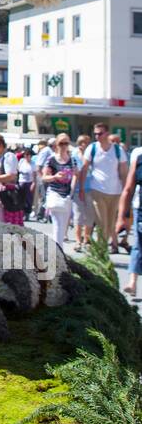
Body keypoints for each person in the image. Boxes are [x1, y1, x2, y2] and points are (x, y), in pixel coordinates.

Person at [79, 121, 128, 253]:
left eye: (100, 133)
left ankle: (102, 250)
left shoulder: (117, 150)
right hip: (97, 190)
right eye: (95, 134)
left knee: (110, 224)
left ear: (107, 133)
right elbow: (84, 168)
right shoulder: (92, 148)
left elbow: (124, 171)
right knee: (102, 223)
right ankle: (101, 251)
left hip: (115, 192)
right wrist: (81, 188)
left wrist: (125, 191)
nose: (97, 136)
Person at [41, 134, 76, 248]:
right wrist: (55, 177)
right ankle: (58, 251)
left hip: (67, 196)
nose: (64, 146)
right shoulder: (51, 159)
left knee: (63, 225)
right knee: (57, 224)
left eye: (66, 143)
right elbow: (44, 177)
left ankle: (58, 249)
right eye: (61, 143)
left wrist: (72, 189)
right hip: (54, 193)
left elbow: (76, 175)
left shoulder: (72, 160)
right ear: (56, 144)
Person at [117, 144, 142, 300]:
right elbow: (128, 188)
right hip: (140, 209)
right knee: (138, 245)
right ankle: (132, 282)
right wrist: (122, 216)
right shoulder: (139, 156)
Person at [0, 134, 24, 226]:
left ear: (0, 145)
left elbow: (11, 176)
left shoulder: (9, 156)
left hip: (6, 194)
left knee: (6, 221)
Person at [70, 133, 94, 252]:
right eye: (81, 143)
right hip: (78, 189)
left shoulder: (92, 155)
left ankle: (87, 240)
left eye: (86, 143)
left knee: (90, 215)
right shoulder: (74, 156)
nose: (83, 145)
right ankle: (78, 240)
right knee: (78, 215)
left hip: (91, 188)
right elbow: (75, 172)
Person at [17, 146, 35, 220]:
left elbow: (34, 174)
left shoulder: (33, 163)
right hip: (21, 181)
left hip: (29, 182)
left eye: (28, 155)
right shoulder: (21, 161)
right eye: (25, 154)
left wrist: (33, 183)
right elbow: (17, 170)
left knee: (28, 199)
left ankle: (27, 213)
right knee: (20, 198)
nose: (26, 156)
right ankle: (21, 213)